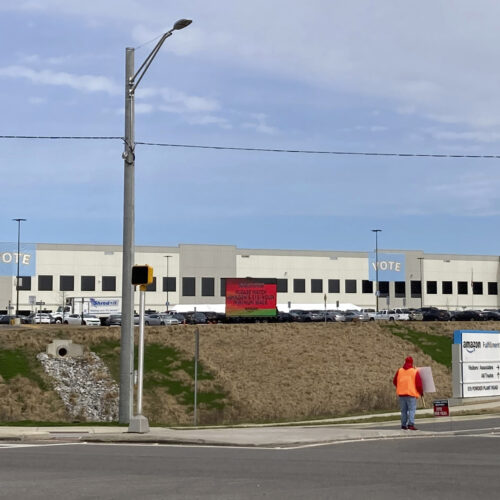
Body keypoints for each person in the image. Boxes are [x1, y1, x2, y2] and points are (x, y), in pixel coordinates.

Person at [393, 356, 423, 430]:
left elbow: (394, 381)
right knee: (411, 410)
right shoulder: (414, 371)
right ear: (412, 363)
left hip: (401, 394)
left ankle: (403, 425)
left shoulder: (399, 371)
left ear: (404, 362)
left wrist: (400, 386)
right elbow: (419, 385)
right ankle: (410, 424)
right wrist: (421, 392)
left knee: (403, 411)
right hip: (411, 394)